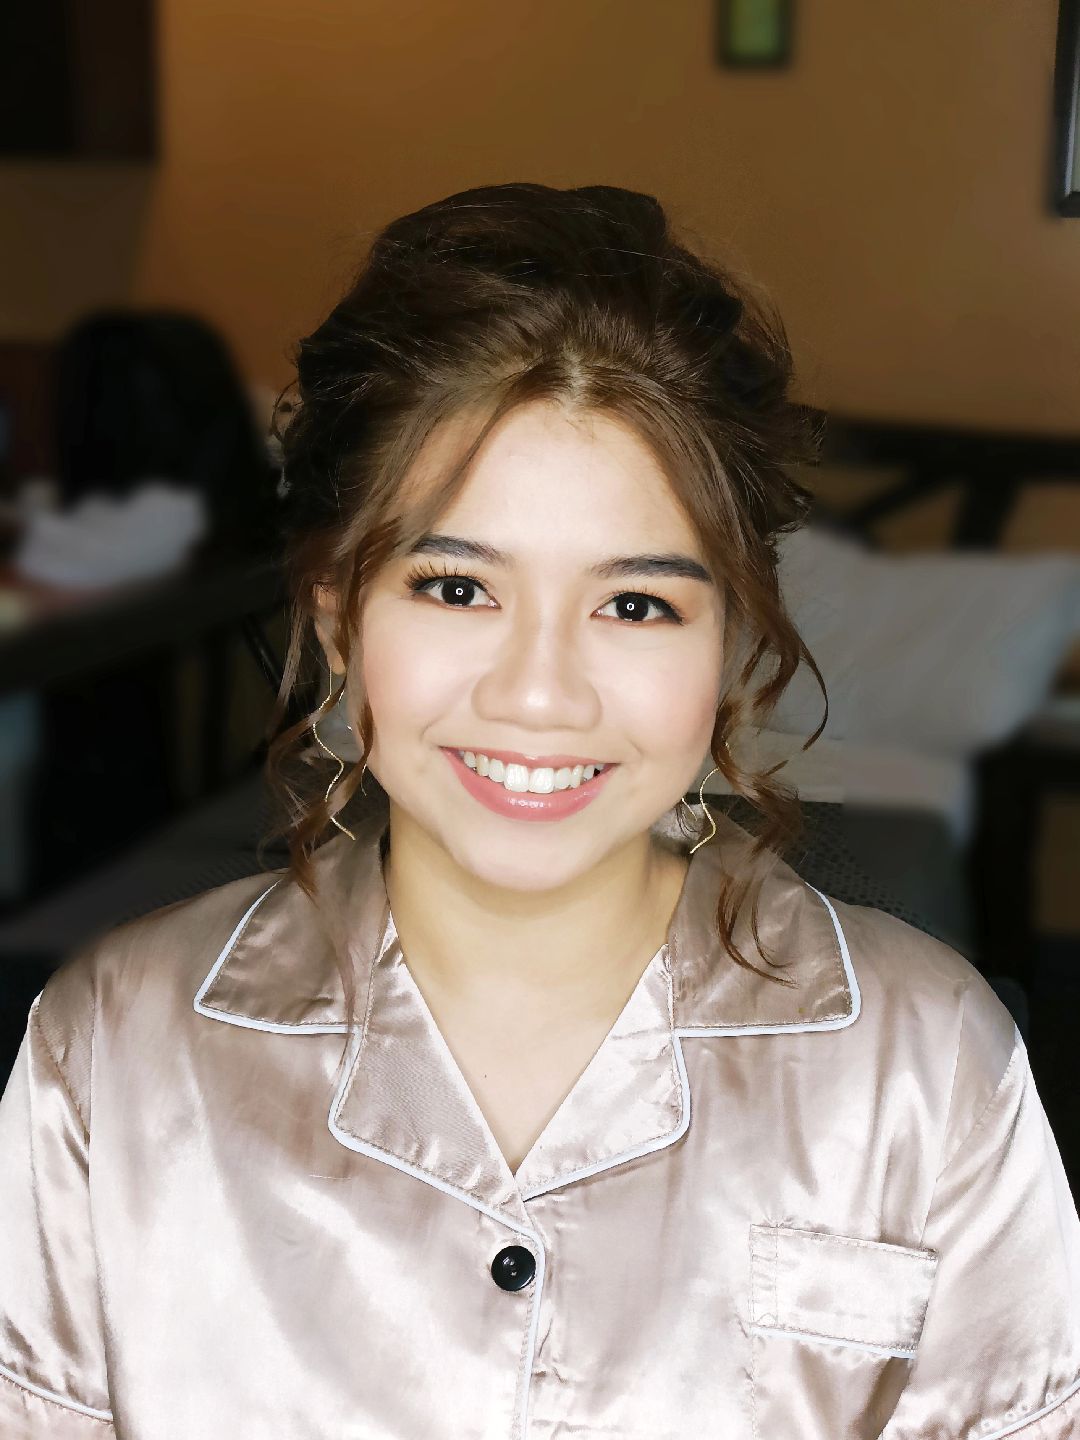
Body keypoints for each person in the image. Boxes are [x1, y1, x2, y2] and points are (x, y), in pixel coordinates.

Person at [1, 183, 1078, 1440]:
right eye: (457, 588)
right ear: (340, 620)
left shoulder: (928, 1066)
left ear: (729, 641)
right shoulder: (113, 1051)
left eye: (635, 605)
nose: (539, 694)